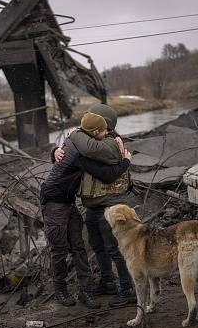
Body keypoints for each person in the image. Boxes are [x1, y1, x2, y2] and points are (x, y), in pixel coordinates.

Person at [41, 112, 132, 309]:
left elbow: (100, 142)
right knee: (59, 249)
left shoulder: (87, 141)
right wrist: (125, 161)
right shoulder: (81, 148)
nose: (108, 132)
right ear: (93, 131)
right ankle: (61, 290)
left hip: (68, 200)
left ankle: (86, 291)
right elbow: (106, 174)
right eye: (104, 130)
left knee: (78, 246)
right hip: (54, 200)